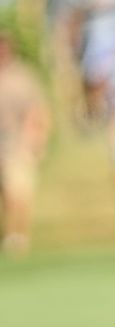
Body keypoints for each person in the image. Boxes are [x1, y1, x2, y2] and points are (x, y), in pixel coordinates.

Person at [0, 33, 51, 257]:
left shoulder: (22, 77)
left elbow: (37, 110)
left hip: (16, 142)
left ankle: (18, 237)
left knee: (18, 192)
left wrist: (36, 140)